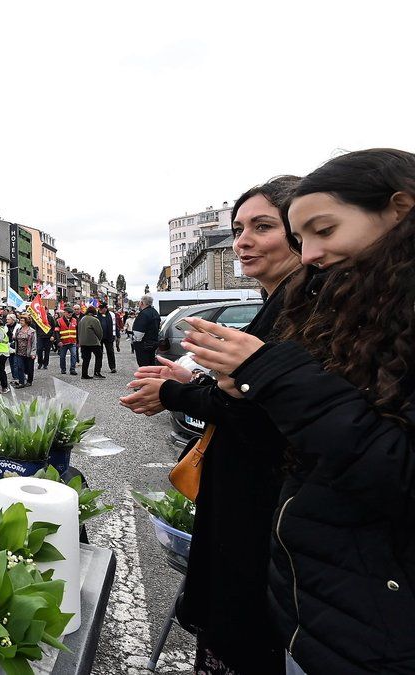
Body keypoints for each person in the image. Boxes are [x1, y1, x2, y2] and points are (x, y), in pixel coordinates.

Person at [182, 152, 415, 674]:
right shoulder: (362, 307)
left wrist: (255, 377)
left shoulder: (327, 307)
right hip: (320, 597)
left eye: (322, 230)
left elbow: (370, 454)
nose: (309, 253)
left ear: (399, 211)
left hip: (367, 616)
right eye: (299, 236)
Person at [121, 175, 302, 674]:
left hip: (263, 509)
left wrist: (176, 392)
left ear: (300, 232)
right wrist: (188, 378)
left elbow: (262, 410)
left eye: (262, 226)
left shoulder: (303, 307)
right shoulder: (278, 303)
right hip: (241, 503)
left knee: (245, 637)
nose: (242, 241)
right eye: (239, 227)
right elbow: (242, 391)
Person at [130, 295, 161, 367]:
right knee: (151, 364)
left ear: (142, 303)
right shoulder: (155, 312)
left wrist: (136, 340)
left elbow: (139, 331)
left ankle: (145, 378)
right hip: (153, 342)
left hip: (143, 344)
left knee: (143, 365)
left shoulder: (143, 314)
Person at [77, 306, 104, 379]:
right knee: (99, 356)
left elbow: (78, 330)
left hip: (83, 342)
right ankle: (97, 372)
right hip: (93, 341)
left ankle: (84, 374)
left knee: (86, 358)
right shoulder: (94, 320)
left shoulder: (82, 319)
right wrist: (99, 339)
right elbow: (99, 332)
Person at [11, 315, 36, 388]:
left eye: (22, 321)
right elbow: (16, 339)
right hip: (19, 352)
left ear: (26, 322)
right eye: (20, 320)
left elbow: (34, 343)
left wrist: (33, 353)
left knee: (29, 368)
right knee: (20, 367)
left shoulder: (32, 331)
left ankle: (29, 381)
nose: (20, 322)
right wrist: (14, 338)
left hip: (28, 352)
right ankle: (21, 382)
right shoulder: (18, 330)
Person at [54, 307, 78, 375]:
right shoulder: (59, 321)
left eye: (71, 313)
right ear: (64, 313)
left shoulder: (74, 320)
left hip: (72, 342)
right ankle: (63, 369)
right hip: (63, 342)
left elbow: (77, 331)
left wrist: (78, 341)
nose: (70, 314)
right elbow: (56, 332)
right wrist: (58, 341)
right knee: (62, 356)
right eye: (68, 312)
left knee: (74, 355)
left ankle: (72, 369)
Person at [98, 302, 116, 374]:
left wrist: (115, 335)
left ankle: (112, 367)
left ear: (106, 308)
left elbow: (114, 325)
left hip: (109, 336)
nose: (101, 310)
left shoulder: (111, 315)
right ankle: (98, 367)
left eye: (103, 308)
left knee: (110, 352)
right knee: (99, 353)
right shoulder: (97, 315)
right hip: (99, 337)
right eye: (100, 309)